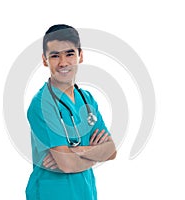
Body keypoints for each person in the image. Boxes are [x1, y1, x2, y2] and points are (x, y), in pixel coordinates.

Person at [25, 24, 117, 200]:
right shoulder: (42, 105)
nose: (63, 63)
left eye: (69, 54)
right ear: (45, 60)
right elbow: (66, 165)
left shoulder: (87, 99)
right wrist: (95, 151)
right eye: (55, 56)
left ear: (80, 56)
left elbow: (111, 150)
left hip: (85, 193)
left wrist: (76, 151)